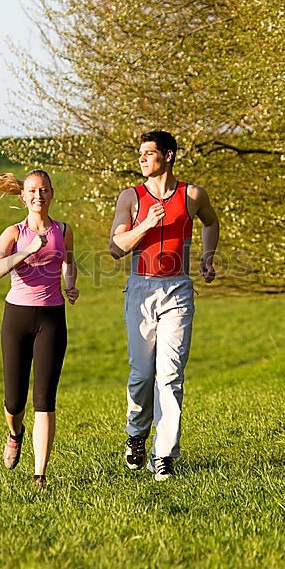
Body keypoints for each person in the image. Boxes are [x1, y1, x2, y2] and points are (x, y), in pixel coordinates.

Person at [108, 131, 220, 480]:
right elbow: (116, 247)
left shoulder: (192, 194)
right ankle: (136, 434)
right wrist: (147, 223)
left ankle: (164, 454)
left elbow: (211, 222)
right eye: (140, 153)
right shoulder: (131, 197)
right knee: (142, 374)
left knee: (170, 375)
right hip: (140, 289)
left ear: (168, 156)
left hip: (178, 289)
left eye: (149, 153)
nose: (142, 159)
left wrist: (207, 257)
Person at [0, 169, 79, 489]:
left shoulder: (64, 230)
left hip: (52, 319)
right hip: (17, 319)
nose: (39, 195)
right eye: (33, 191)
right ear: (23, 197)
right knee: (14, 403)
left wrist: (70, 285)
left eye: (44, 190)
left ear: (52, 194)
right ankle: (15, 433)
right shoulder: (13, 233)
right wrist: (27, 251)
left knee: (45, 399)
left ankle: (40, 475)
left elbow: (69, 261)